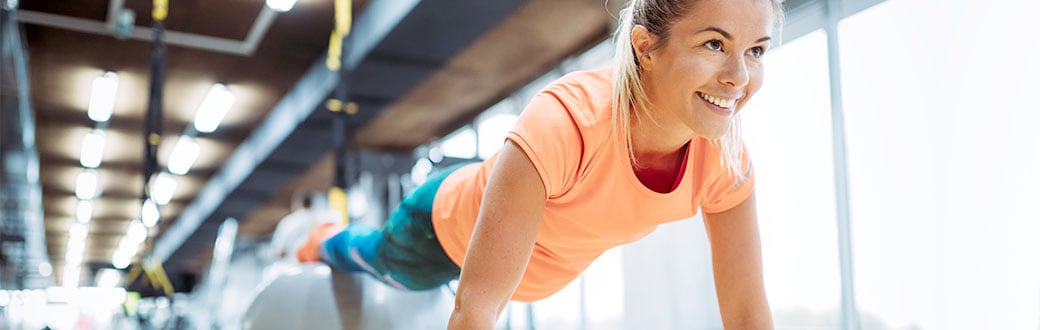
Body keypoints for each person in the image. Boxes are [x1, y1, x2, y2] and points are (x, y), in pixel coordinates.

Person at [296, 0, 783, 328]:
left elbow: (745, 314)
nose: (739, 77)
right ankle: (321, 241)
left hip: (527, 276)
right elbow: (475, 309)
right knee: (369, 255)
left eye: (756, 51)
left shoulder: (726, 163)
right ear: (645, 47)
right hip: (440, 234)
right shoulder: (565, 124)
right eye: (714, 44)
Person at [268, 190, 339, 261]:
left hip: (295, 265)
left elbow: (279, 251)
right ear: (311, 203)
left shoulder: (288, 222)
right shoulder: (322, 219)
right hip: (319, 265)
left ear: (297, 204)